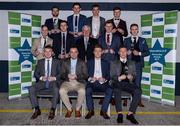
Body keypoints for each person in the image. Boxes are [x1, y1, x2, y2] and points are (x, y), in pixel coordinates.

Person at [110, 46, 141, 124]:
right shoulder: (113, 63)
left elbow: (134, 75)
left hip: (128, 83)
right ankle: (120, 114)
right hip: (118, 82)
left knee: (138, 91)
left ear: (127, 52)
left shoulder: (132, 62)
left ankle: (130, 114)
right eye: (121, 51)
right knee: (117, 90)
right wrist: (119, 78)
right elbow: (112, 76)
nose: (123, 53)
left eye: (124, 51)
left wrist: (132, 77)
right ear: (118, 53)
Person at [29, 45, 60, 120]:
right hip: (42, 82)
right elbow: (35, 74)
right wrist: (41, 78)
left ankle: (52, 109)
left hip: (53, 82)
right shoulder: (40, 62)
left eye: (49, 51)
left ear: (52, 52)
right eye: (46, 51)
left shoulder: (57, 62)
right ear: (43, 53)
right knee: (31, 89)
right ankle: (37, 109)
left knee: (56, 89)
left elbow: (61, 74)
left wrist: (54, 78)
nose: (48, 53)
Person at [124, 23, 150, 107]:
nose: (134, 31)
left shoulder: (142, 40)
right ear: (130, 30)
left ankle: (138, 100)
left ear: (138, 30)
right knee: (128, 82)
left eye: (136, 29)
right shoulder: (126, 40)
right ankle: (125, 99)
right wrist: (125, 53)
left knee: (138, 83)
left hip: (138, 64)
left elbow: (147, 52)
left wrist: (139, 53)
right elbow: (121, 51)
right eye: (132, 29)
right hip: (129, 64)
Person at [59, 46, 88, 118]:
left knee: (82, 91)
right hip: (67, 82)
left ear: (78, 53)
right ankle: (69, 109)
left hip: (79, 82)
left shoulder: (82, 62)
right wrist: (67, 76)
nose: (73, 54)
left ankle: (77, 109)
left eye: (75, 52)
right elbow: (62, 74)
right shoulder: (65, 62)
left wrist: (76, 76)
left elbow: (86, 75)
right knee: (61, 90)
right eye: (71, 52)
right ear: (69, 54)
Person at [85, 45, 112, 120]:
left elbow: (109, 76)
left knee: (110, 90)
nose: (97, 52)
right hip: (92, 82)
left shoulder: (106, 63)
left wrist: (104, 79)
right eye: (96, 51)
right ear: (93, 52)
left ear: (102, 52)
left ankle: (103, 111)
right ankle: (91, 110)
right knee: (88, 90)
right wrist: (90, 78)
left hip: (102, 83)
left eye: (99, 51)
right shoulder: (89, 62)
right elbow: (85, 74)